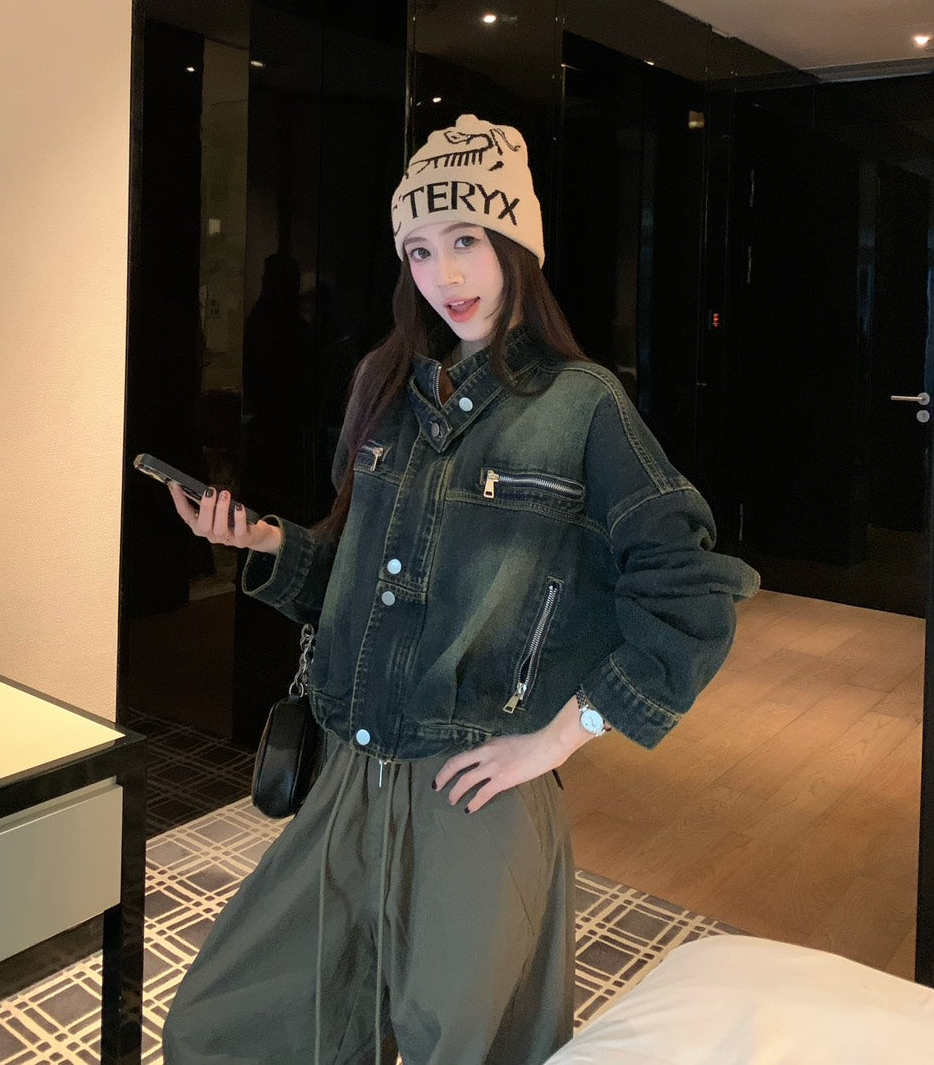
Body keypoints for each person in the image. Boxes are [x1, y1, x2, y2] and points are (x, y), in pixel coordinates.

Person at [162, 114, 759, 1065]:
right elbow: (355, 582)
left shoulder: (583, 405)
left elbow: (694, 593)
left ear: (517, 243)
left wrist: (561, 735)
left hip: (474, 791)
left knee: (470, 1046)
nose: (445, 274)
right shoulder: (385, 386)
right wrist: (269, 542)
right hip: (348, 776)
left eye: (468, 240)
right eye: (420, 250)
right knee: (223, 1027)